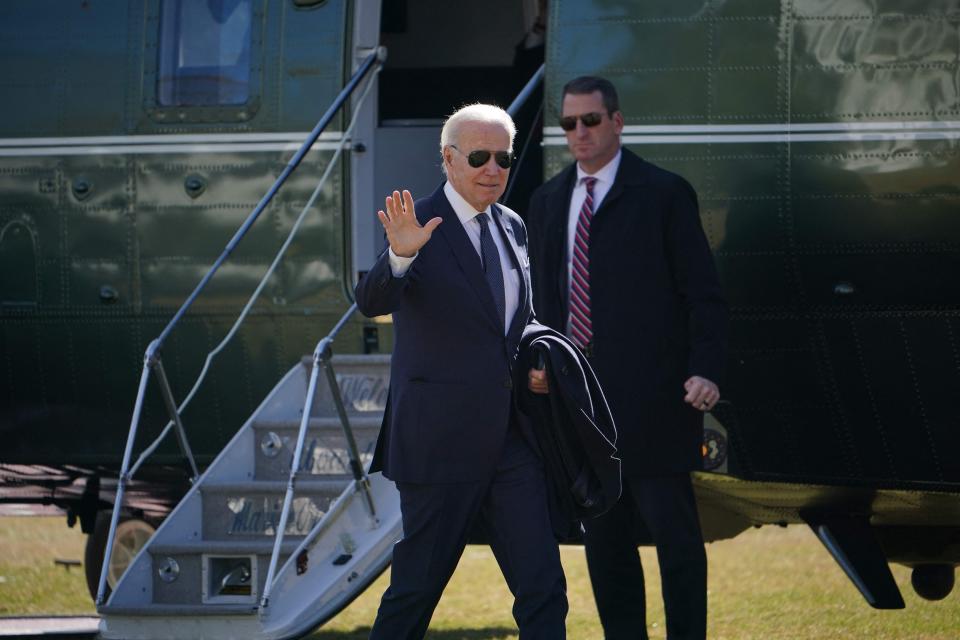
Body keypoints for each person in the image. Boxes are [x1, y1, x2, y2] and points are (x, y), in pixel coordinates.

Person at [355, 103, 567, 640]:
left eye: (503, 158)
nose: (492, 169)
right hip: (438, 442)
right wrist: (399, 258)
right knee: (415, 593)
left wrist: (539, 357)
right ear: (448, 159)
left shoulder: (512, 225)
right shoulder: (418, 222)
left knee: (544, 588)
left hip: (510, 441)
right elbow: (373, 298)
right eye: (478, 156)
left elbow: (516, 321)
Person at [526, 76, 728, 639]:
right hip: (582, 408)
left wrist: (706, 368)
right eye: (569, 124)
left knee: (677, 543)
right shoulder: (547, 202)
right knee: (606, 548)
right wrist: (537, 365)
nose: (580, 133)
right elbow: (541, 303)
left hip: (657, 401)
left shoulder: (663, 194)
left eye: (591, 121)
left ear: (617, 121)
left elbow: (703, 294)